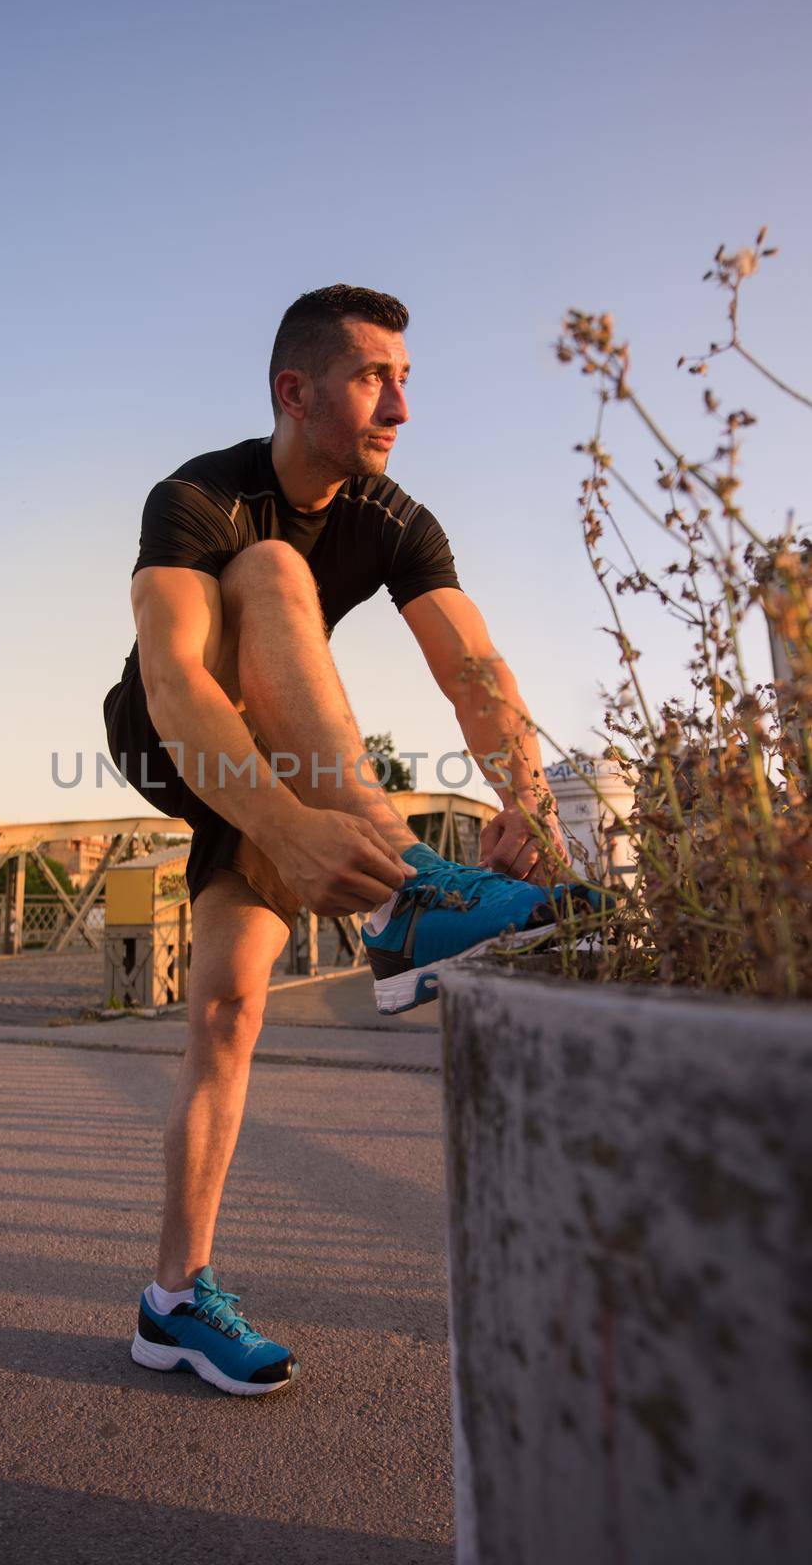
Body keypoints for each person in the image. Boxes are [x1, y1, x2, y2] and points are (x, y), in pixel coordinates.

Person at [103, 285, 598, 1395]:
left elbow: (477, 671)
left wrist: (530, 801)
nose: (402, 407)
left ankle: (171, 1303)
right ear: (297, 389)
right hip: (166, 732)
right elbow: (177, 682)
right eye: (378, 377)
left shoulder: (396, 518)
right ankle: (403, 899)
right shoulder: (198, 496)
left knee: (228, 1003)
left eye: (406, 379)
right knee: (275, 572)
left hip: (272, 749)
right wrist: (301, 829)